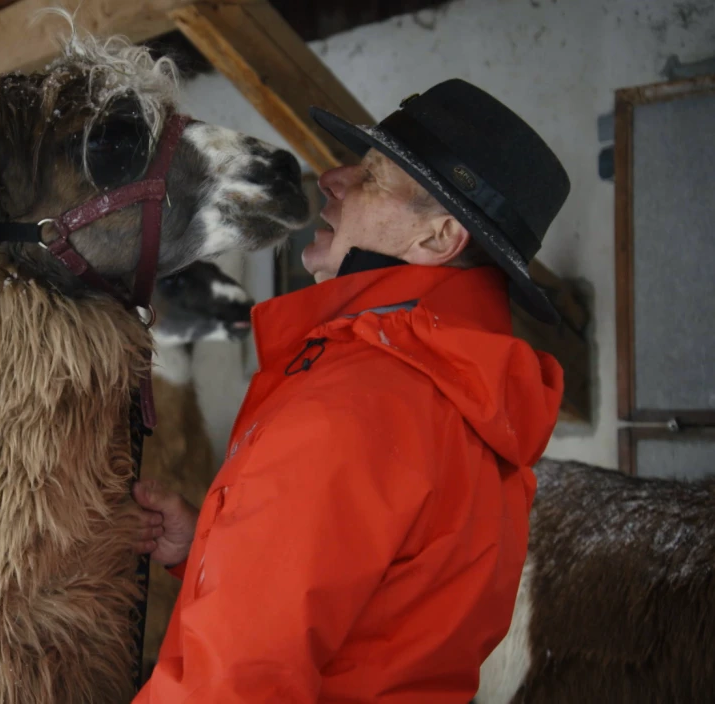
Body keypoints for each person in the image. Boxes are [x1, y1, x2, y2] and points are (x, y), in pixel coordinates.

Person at [131, 79, 569, 702]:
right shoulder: (463, 393)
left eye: (369, 176)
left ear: (439, 239)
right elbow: (386, 614)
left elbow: (233, 685)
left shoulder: (361, 401)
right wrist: (210, 542)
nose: (331, 179)